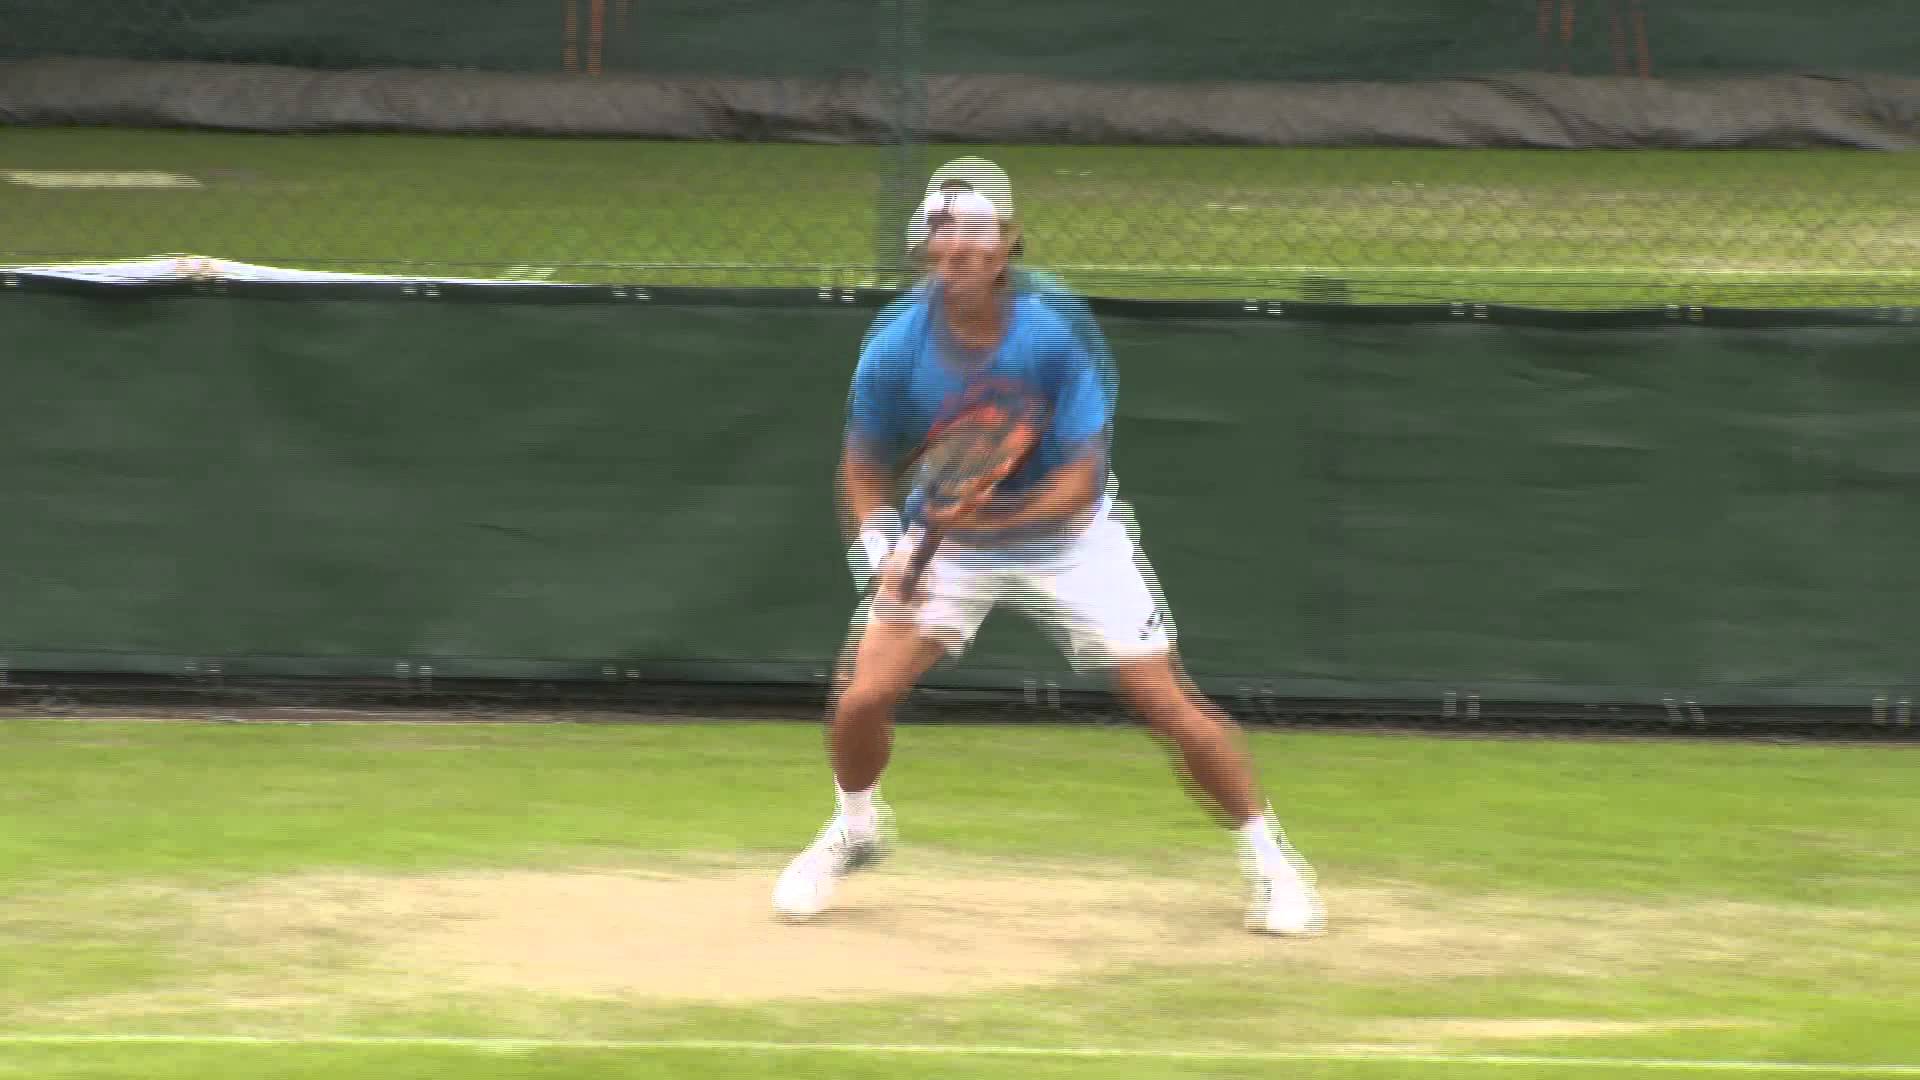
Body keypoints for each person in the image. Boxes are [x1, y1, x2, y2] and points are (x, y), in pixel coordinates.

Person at [771, 171, 1326, 937]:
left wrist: (989, 520)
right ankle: (856, 827)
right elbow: (863, 465)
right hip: (951, 547)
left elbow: (1077, 481)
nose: (957, 247)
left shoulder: (1053, 325)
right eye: (941, 231)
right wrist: (882, 547)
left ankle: (1272, 862)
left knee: (1164, 701)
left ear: (1005, 244)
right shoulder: (896, 344)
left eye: (973, 231)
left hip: (1070, 541)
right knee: (862, 695)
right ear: (924, 249)